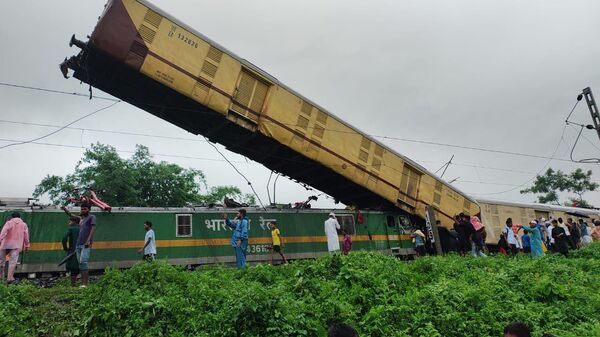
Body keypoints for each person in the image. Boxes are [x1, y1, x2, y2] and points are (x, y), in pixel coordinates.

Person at [0, 212, 30, 283]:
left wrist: (0, 239)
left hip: (5, 244)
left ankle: (1, 277)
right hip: (16, 245)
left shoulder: (9, 223)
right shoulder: (24, 225)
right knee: (12, 262)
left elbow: (3, 232)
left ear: (12, 217)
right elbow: (26, 236)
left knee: (1, 261)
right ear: (20, 217)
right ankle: (9, 278)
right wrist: (27, 245)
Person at [76, 204, 97, 287]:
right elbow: (72, 216)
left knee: (83, 262)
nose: (83, 210)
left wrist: (88, 240)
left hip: (86, 244)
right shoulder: (82, 219)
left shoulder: (92, 217)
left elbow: (93, 229)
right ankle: (82, 283)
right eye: (81, 209)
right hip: (79, 244)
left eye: (84, 209)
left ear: (89, 209)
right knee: (80, 264)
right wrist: (65, 210)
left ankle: (85, 283)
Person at [61, 215, 81, 286]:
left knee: (73, 269)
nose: (69, 222)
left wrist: (65, 248)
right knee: (79, 267)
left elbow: (64, 239)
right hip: (81, 251)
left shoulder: (71, 229)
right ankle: (81, 284)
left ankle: (73, 285)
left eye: (70, 221)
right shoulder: (82, 228)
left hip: (72, 251)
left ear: (74, 222)